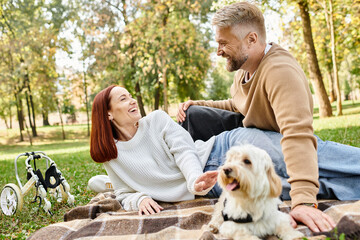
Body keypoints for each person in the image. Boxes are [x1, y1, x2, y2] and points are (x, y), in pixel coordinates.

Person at [90, 85, 360, 234]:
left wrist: (195, 180)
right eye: (123, 99)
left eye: (130, 95)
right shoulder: (112, 156)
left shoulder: (157, 120)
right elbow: (123, 191)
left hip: (224, 149)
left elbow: (184, 149)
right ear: (109, 115)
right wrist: (139, 199)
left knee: (313, 156)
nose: (132, 100)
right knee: (314, 184)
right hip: (217, 184)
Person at [176, 1, 338, 233]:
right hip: (249, 135)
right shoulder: (245, 68)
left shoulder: (280, 71)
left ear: (251, 39)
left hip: (274, 148)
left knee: (338, 171)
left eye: (223, 43)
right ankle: (202, 168)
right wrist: (197, 104)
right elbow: (239, 104)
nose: (218, 51)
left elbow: (297, 135)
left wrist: (303, 201)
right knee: (193, 115)